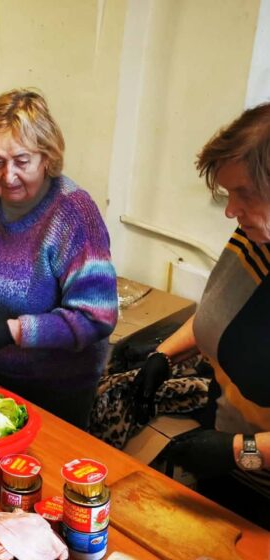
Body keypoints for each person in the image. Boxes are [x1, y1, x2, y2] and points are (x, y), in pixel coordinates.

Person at [0, 89, 118, 430]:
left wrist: (16, 331)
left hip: (61, 389)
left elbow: (98, 316)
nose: (8, 176)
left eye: (22, 161)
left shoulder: (73, 215)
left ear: (47, 158)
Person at [134, 102, 270, 528]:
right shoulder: (255, 237)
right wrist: (163, 354)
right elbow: (221, 315)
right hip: (229, 454)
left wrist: (235, 451)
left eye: (244, 193)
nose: (231, 211)